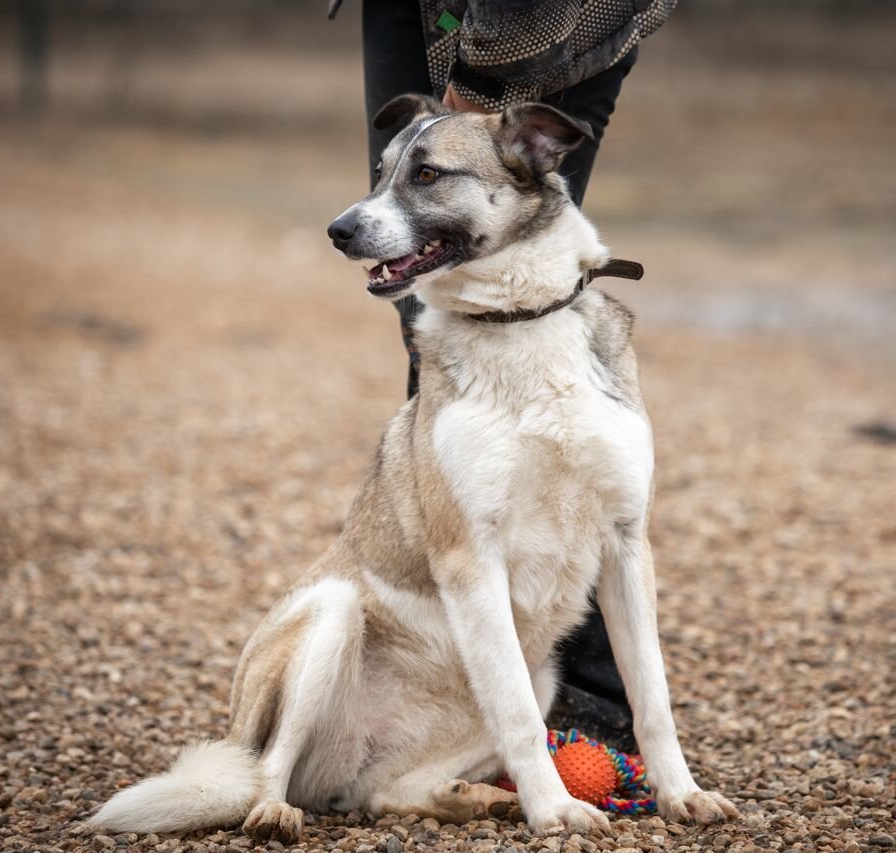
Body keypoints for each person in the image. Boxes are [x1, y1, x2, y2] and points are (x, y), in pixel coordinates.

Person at [333, 0, 677, 750]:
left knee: (524, 266)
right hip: (417, 11)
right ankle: (464, 680)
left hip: (566, 17)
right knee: (426, 269)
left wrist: (480, 94)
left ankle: (588, 706)